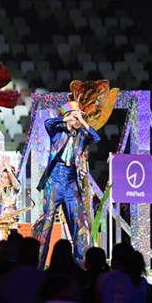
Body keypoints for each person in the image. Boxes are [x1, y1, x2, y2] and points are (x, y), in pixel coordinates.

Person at [33, 101, 100, 265]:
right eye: (75, 115)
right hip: (54, 182)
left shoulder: (81, 137)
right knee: (47, 222)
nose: (77, 119)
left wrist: (83, 122)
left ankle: (81, 263)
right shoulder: (57, 133)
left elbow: (96, 138)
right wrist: (66, 119)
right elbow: (47, 123)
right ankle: (39, 263)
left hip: (71, 183)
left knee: (79, 223)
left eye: (79, 115)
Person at [0, 157, 21, 241]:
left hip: (12, 220)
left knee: (13, 243)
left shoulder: (15, 188)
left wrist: (7, 167)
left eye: (5, 177)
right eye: (2, 177)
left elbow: (16, 182)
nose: (2, 179)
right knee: (0, 243)